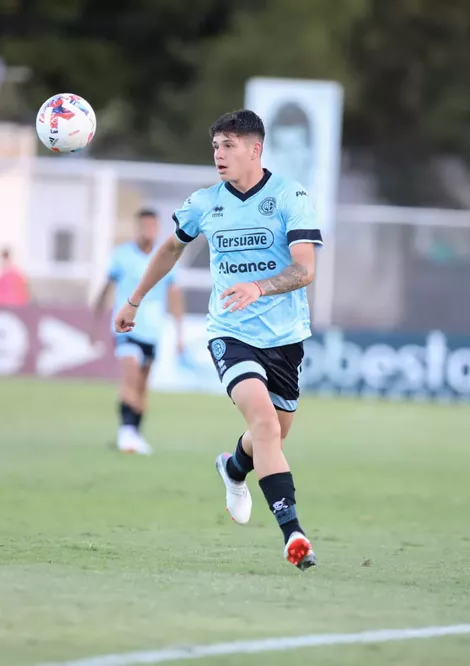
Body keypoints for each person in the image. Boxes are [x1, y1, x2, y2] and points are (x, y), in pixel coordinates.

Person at [113, 110, 323, 570]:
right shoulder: (204, 203)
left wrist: (259, 287)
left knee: (271, 434)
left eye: (229, 145)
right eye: (215, 146)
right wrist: (134, 300)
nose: (219, 155)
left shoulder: (290, 196)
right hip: (230, 333)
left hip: (286, 339)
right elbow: (170, 248)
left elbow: (305, 269)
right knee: (265, 425)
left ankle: (232, 469)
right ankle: (293, 533)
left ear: (255, 149)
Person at [95, 209, 185, 455]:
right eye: (144, 226)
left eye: (152, 226)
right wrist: (95, 323)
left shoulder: (165, 256)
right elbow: (106, 289)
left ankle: (134, 433)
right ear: (137, 227)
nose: (148, 231)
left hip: (152, 330)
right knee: (131, 378)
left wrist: (179, 333)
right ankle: (126, 432)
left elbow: (174, 294)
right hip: (126, 328)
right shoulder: (122, 255)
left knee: (142, 386)